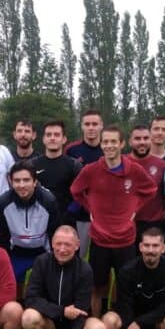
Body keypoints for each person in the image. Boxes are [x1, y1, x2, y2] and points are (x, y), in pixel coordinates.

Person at [70, 125, 157, 316]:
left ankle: (120, 322)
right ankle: (96, 320)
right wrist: (91, 208)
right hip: (100, 237)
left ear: (122, 144)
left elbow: (150, 190)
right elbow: (75, 190)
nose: (109, 145)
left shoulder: (134, 170)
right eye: (105, 142)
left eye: (113, 141)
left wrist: (135, 209)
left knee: (124, 284)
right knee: (97, 285)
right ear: (101, 144)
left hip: (125, 238)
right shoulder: (91, 170)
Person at [22, 225, 108, 329]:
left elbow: (80, 312)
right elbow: (31, 299)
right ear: (52, 243)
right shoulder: (41, 262)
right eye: (58, 244)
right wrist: (62, 311)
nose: (62, 249)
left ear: (77, 245)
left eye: (67, 244)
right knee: (28, 318)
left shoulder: (85, 270)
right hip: (49, 322)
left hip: (75, 323)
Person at [0, 160, 61, 294]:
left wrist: (55, 260)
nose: (22, 185)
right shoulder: (3, 202)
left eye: (26, 180)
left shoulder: (48, 200)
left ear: (35, 182)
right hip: (15, 252)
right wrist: (3, 263)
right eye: (17, 181)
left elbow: (54, 232)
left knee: (43, 289)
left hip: (42, 252)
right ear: (11, 182)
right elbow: (1, 237)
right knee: (10, 290)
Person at [66, 109, 104, 256]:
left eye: (95, 124)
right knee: (78, 255)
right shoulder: (72, 150)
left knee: (101, 257)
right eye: (87, 124)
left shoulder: (108, 149)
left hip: (103, 213)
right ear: (82, 126)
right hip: (80, 213)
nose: (91, 128)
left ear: (101, 125)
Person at [32, 120, 82, 223]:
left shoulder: (74, 165)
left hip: (66, 223)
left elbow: (81, 195)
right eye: (48, 135)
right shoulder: (32, 165)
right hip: (37, 223)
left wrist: (69, 214)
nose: (52, 138)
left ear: (64, 139)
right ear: (43, 139)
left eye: (56, 135)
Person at [128, 124, 165, 239]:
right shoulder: (121, 163)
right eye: (137, 138)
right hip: (126, 224)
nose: (142, 142)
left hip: (154, 225)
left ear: (151, 140)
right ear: (130, 142)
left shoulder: (163, 166)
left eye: (145, 138)